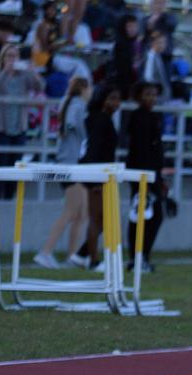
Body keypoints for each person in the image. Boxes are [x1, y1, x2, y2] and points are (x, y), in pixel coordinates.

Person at [34, 77, 92, 269]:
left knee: (82, 214)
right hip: (70, 164)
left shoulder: (70, 102)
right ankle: (45, 253)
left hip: (74, 164)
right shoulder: (77, 103)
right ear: (84, 88)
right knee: (70, 211)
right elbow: (69, 124)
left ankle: (72, 256)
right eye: (89, 88)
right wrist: (83, 135)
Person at [0, 44, 45, 200]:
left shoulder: (24, 76)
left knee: (15, 167)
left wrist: (33, 71)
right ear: (3, 58)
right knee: (0, 167)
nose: (12, 59)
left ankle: (9, 200)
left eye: (15, 56)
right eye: (9, 56)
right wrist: (6, 72)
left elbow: (40, 87)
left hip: (19, 128)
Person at [75, 83, 121, 269]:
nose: (116, 103)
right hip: (97, 175)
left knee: (102, 219)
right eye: (112, 98)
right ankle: (92, 261)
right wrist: (94, 179)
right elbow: (93, 150)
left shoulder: (101, 119)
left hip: (100, 174)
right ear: (102, 100)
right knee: (97, 219)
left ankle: (82, 254)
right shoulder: (101, 120)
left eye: (118, 99)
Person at [125, 82, 166, 273]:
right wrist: (145, 180)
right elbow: (140, 151)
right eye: (148, 94)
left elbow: (155, 150)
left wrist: (160, 177)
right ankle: (137, 258)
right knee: (143, 216)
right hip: (142, 175)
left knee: (153, 216)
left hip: (152, 175)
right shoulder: (138, 118)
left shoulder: (153, 117)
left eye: (154, 95)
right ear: (139, 96)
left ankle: (141, 257)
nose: (152, 98)